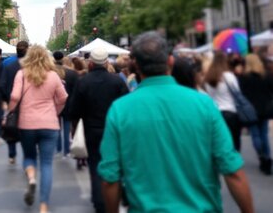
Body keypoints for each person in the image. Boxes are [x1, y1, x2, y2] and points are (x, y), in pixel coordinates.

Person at [98, 31, 254, 213]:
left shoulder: (120, 110)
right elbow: (233, 171)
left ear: (136, 65)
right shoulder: (203, 104)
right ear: (170, 61)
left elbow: (110, 179)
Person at [66, 45, 128, 213]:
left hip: (92, 129)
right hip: (114, 129)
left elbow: (75, 109)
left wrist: (74, 127)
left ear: (91, 63)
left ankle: (98, 200)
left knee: (95, 165)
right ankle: (116, 196)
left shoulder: (83, 82)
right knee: (115, 162)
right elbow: (126, 106)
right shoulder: (117, 81)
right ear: (106, 62)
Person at [8, 45, 67, 213]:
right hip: (49, 124)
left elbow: (14, 96)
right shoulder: (53, 76)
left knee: (29, 156)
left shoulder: (22, 74)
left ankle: (32, 178)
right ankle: (43, 206)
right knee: (47, 164)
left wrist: (10, 111)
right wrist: (55, 112)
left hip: (27, 123)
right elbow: (63, 98)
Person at [238, 52, 273, 175]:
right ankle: (267, 158)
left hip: (250, 110)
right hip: (265, 109)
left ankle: (262, 156)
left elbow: (241, 93)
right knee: (264, 134)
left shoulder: (243, 77)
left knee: (255, 134)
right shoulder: (266, 75)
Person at [203, 51, 243, 151]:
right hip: (230, 111)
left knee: (220, 142)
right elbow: (237, 92)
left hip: (215, 112)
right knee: (234, 141)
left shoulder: (208, 77)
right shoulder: (229, 76)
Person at [0, 40, 29, 165]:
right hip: (28, 102)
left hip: (12, 101)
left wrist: (5, 100)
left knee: (10, 127)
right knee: (25, 129)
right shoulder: (30, 66)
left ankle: (12, 154)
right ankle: (27, 155)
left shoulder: (8, 65)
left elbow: (2, 84)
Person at [53, 50, 78, 157]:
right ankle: (66, 150)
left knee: (57, 128)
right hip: (69, 103)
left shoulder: (50, 72)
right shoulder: (72, 73)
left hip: (55, 103)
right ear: (63, 58)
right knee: (67, 127)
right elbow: (77, 90)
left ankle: (58, 149)